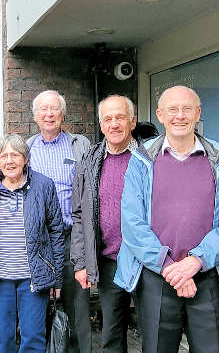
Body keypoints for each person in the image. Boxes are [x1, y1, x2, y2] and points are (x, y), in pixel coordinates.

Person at [115, 85, 219, 353]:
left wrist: (195, 262)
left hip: (208, 274)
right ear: (160, 115)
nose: (179, 116)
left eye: (186, 109)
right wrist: (169, 267)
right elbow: (131, 222)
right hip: (157, 275)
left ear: (198, 114)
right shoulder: (141, 159)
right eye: (172, 109)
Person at [0, 133, 64, 352]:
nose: (9, 160)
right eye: (4, 156)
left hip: (33, 279)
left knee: (33, 338)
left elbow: (56, 234)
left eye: (15, 155)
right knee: (3, 340)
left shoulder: (43, 186)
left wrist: (56, 279)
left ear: (26, 159)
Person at [27, 90, 92, 352]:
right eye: (43, 109)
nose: (49, 114)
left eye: (54, 109)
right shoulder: (26, 148)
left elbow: (90, 191)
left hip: (71, 237)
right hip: (39, 241)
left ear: (62, 114)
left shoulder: (80, 145)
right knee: (38, 305)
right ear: (35, 116)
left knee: (77, 305)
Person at [71, 95, 137, 353]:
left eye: (120, 117)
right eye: (108, 119)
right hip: (109, 262)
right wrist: (81, 262)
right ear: (101, 125)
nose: (114, 124)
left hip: (146, 261)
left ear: (132, 121)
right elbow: (78, 214)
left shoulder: (148, 158)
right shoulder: (89, 161)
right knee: (111, 333)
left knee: (154, 330)